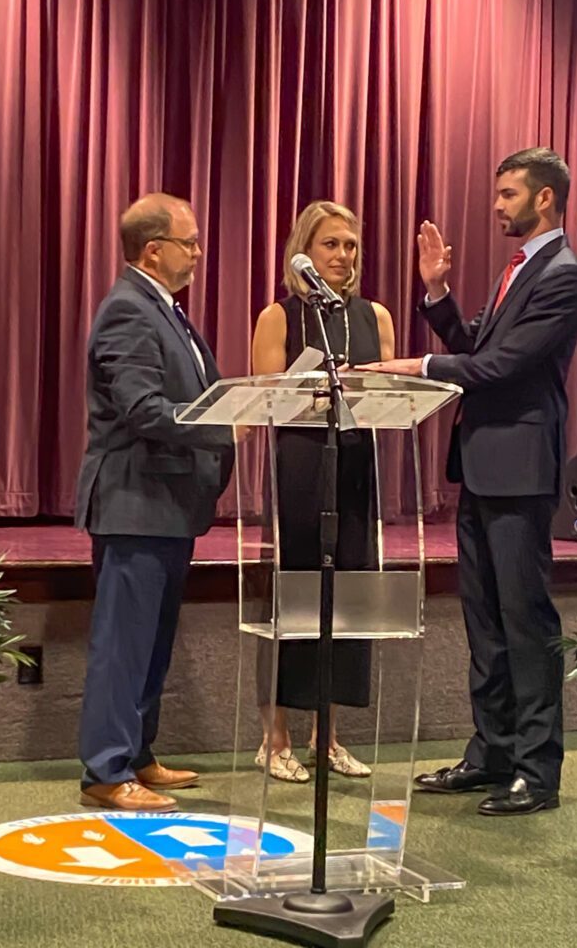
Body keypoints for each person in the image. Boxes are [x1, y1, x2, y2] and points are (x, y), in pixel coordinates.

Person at [357, 149, 577, 815]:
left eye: (509, 193)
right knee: (484, 621)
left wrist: (418, 365)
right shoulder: (518, 269)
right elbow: (476, 345)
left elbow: (503, 366)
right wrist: (437, 294)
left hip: (520, 470)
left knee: (524, 621)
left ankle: (536, 772)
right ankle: (491, 754)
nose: (497, 205)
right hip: (485, 466)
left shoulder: (564, 274)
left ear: (545, 198)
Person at [75, 193, 234, 812]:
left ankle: (137, 754)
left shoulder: (161, 307)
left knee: (152, 641)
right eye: (189, 242)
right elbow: (142, 410)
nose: (198, 252)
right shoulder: (128, 310)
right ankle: (106, 770)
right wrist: (225, 423)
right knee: (124, 644)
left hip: (167, 505)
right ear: (152, 250)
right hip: (135, 502)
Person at [251, 200, 395, 782]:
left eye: (350, 245)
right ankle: (275, 738)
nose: (343, 255)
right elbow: (264, 400)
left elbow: (388, 395)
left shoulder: (375, 316)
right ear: (303, 252)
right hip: (301, 471)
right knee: (295, 599)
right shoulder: (279, 317)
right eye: (331, 244)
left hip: (356, 467)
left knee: (348, 600)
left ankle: (327, 739)